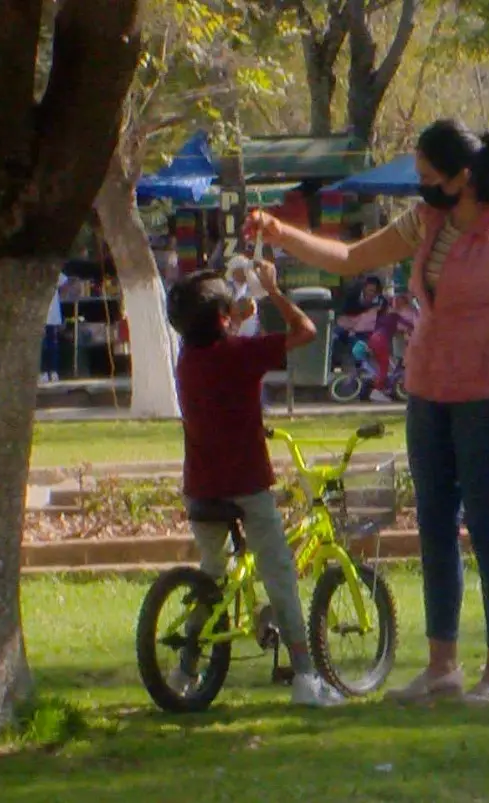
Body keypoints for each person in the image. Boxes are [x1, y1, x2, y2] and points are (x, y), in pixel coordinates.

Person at [245, 119, 489, 706]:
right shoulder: (426, 222)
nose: (421, 187)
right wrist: (280, 232)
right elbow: (349, 257)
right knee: (434, 525)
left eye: (428, 176)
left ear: (463, 177)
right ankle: (442, 667)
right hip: (428, 393)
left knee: (486, 524)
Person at [165, 263, 342, 707]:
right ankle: (305, 676)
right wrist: (275, 290)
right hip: (246, 484)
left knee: (212, 573)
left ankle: (185, 669)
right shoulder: (240, 354)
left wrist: (238, 308)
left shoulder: (188, 358)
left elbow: (215, 331)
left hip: (201, 486)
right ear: (222, 319)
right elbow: (305, 331)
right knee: (279, 572)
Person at [366, 293, 418, 393]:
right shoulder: (394, 315)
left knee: (382, 364)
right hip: (381, 340)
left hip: (374, 339)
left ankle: (380, 385)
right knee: (384, 365)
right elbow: (408, 324)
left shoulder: (381, 316)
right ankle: (378, 388)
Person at [40, 272, 69, 384]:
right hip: (43, 314)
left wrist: (60, 296)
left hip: (51, 313)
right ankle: (45, 372)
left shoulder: (53, 270)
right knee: (44, 344)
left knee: (50, 343)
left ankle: (52, 371)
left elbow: (64, 282)